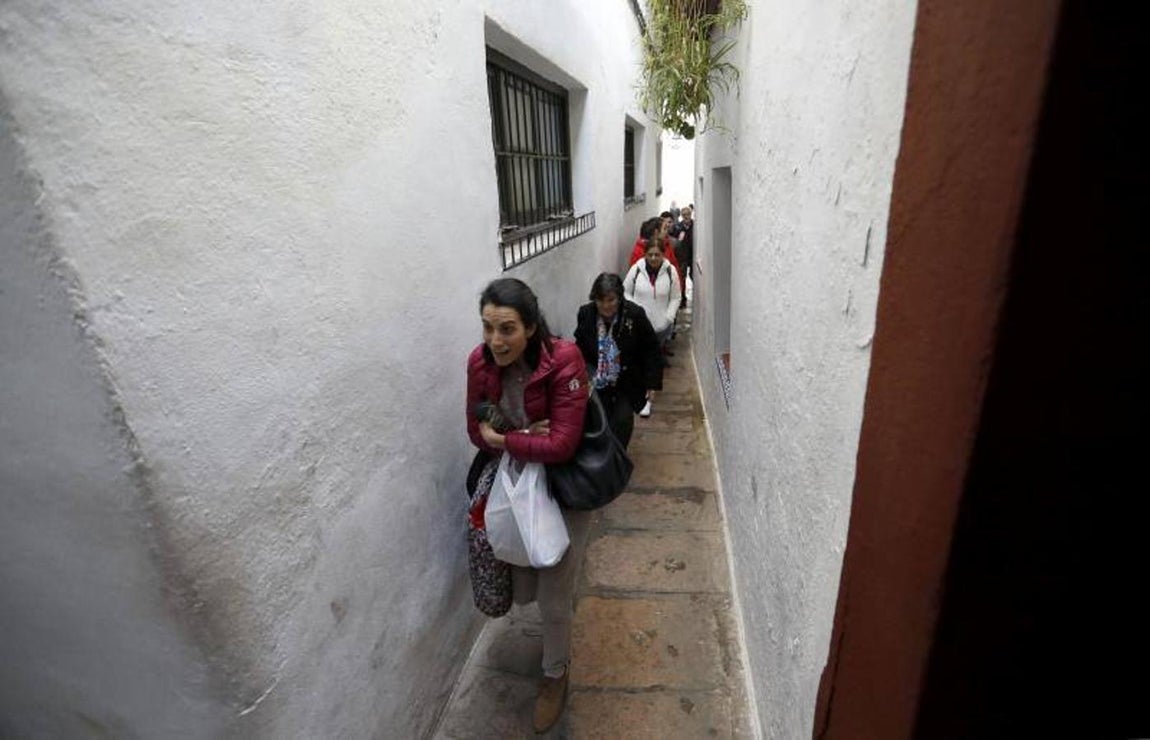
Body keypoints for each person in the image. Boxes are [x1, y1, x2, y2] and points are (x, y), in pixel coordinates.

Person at [465, 278, 589, 733]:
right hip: (513, 483)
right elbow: (475, 429)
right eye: (488, 328)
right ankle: (552, 643)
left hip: (561, 490)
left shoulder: (564, 360)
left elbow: (562, 445)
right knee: (523, 585)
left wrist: (506, 439)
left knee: (554, 597)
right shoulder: (479, 363)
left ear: (532, 327)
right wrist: (516, 438)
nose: (495, 341)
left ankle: (555, 671)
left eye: (508, 329)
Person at [574, 273, 662, 447]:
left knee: (622, 421)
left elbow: (651, 348)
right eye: (600, 300)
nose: (605, 306)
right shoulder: (586, 314)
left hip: (627, 380)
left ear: (620, 298)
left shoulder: (634, 315)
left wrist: (652, 382)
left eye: (611, 300)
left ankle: (618, 458)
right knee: (601, 421)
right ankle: (606, 456)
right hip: (597, 380)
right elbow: (580, 347)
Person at [623, 240, 682, 417]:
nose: (653, 258)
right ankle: (640, 396)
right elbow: (625, 291)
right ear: (645, 254)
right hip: (639, 326)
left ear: (663, 254)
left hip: (660, 327)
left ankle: (649, 398)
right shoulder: (637, 269)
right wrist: (636, 311)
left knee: (653, 363)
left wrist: (668, 318)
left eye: (657, 254)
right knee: (639, 360)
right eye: (650, 254)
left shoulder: (671, 272)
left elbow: (676, 297)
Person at [670, 205, 694, 308]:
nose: (686, 216)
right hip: (682, 256)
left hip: (693, 255)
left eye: (688, 214)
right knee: (682, 277)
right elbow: (675, 242)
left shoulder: (695, 225)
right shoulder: (678, 227)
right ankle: (683, 298)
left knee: (693, 275)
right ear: (681, 216)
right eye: (684, 215)